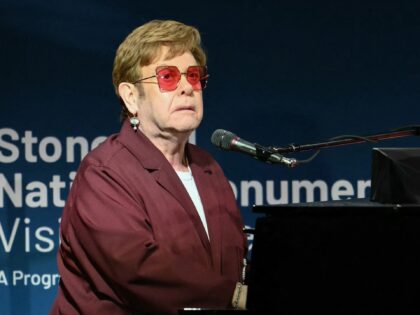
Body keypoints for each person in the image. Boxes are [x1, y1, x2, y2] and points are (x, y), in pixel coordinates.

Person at [50, 20, 247, 315]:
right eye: (167, 77)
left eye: (193, 77)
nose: (186, 88)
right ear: (131, 96)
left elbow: (233, 259)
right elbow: (137, 268)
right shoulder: (104, 171)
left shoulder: (208, 168)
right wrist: (234, 295)